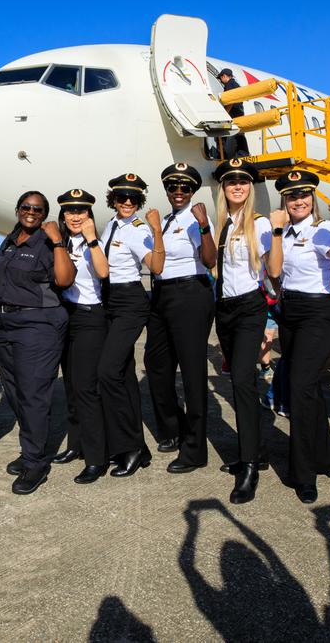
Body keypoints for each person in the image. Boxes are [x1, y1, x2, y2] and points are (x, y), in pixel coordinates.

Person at [265, 170, 330, 503]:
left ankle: (303, 474)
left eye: (303, 195)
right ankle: (323, 457)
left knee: (299, 388)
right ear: (284, 202)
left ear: (312, 198)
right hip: (290, 312)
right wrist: (275, 232)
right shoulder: (281, 232)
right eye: (291, 196)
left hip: (318, 314)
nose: (298, 201)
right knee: (310, 389)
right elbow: (274, 273)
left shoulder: (324, 230)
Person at [0, 190, 75, 495]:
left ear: (45, 214)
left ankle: (36, 462)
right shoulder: (10, 239)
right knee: (14, 392)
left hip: (38, 324)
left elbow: (65, 279)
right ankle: (32, 448)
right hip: (5, 324)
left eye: (38, 209)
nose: (31, 212)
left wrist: (57, 240)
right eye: (26, 207)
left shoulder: (48, 240)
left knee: (33, 395)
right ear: (17, 210)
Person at [145, 163, 218, 473]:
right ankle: (173, 428)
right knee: (156, 364)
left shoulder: (197, 219)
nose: (178, 192)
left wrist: (203, 225)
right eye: (173, 187)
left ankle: (195, 449)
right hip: (161, 295)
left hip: (191, 293)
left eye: (185, 188)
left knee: (191, 372)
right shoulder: (164, 220)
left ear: (192, 191)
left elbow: (210, 260)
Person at [210, 158, 271, 503]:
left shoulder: (259, 225)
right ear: (223, 188)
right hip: (225, 310)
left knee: (243, 382)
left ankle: (248, 466)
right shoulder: (221, 225)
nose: (237, 185)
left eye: (243, 181)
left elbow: (276, 266)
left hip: (249, 307)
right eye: (231, 181)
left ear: (250, 188)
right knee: (238, 380)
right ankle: (256, 449)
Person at [97, 173, 163, 477]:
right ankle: (139, 448)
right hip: (110, 302)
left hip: (130, 302)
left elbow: (156, 267)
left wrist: (157, 231)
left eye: (133, 198)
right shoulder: (111, 224)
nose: (127, 202)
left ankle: (130, 446)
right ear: (113, 199)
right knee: (122, 375)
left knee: (107, 373)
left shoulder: (138, 230)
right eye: (122, 197)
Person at [56, 189, 110, 484]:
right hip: (67, 317)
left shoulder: (95, 243)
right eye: (69, 211)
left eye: (81, 211)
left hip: (91, 318)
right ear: (63, 216)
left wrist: (91, 239)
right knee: (72, 388)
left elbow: (102, 273)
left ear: (90, 215)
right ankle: (75, 445)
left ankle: (96, 458)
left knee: (87, 390)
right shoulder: (61, 243)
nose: (75, 216)